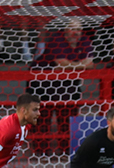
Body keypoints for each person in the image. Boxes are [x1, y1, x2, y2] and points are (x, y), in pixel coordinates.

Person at [28, 19, 93, 155]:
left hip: (68, 83)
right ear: (65, 30)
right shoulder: (56, 39)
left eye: (78, 29)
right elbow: (61, 63)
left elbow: (91, 63)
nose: (75, 33)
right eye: (72, 29)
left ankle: (65, 151)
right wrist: (80, 64)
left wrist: (71, 65)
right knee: (42, 119)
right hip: (43, 82)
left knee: (68, 118)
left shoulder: (85, 40)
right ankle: (42, 152)